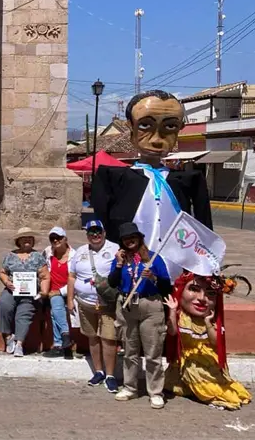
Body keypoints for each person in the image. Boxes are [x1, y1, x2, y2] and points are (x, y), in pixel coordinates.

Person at [92, 90, 211, 248]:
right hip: (129, 262)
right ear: (130, 127)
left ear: (179, 129)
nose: (156, 140)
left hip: (175, 260)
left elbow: (204, 225)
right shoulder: (114, 179)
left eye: (170, 126)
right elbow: (102, 222)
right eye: (145, 125)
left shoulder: (189, 181)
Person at [108, 222, 172, 409]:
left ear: (140, 238)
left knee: (153, 352)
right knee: (130, 350)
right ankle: (130, 387)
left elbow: (167, 287)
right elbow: (112, 283)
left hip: (150, 305)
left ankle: (155, 392)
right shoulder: (121, 259)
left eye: (133, 237)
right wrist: (119, 265)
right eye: (126, 238)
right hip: (128, 305)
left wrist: (153, 277)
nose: (130, 241)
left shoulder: (153, 258)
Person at [165, 271, 252, 410]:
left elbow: (215, 341)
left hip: (206, 361)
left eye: (210, 293)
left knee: (211, 387)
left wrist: (207, 323)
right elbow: (172, 332)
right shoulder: (181, 317)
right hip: (184, 361)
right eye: (194, 289)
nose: (202, 298)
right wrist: (172, 311)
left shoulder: (210, 321)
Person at [67, 220, 120, 393]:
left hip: (107, 303)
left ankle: (111, 375)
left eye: (98, 232)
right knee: (93, 337)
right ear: (87, 235)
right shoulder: (81, 251)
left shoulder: (114, 249)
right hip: (85, 303)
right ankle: (98, 371)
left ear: (104, 232)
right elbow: (72, 276)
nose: (95, 235)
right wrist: (70, 299)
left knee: (108, 339)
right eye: (91, 232)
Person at [0, 227, 49, 358]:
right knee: (4, 304)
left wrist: (43, 292)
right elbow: (3, 272)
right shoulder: (10, 256)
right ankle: (9, 336)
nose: (27, 240)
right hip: (12, 289)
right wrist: (7, 282)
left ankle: (19, 344)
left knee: (24, 313)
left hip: (30, 292)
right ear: (18, 241)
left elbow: (45, 276)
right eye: (24, 238)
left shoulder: (38, 257)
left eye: (30, 238)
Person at [42, 227, 74, 359]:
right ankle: (63, 341)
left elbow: (76, 279)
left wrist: (59, 291)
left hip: (69, 290)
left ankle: (59, 342)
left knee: (55, 306)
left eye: (59, 238)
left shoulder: (75, 255)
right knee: (55, 309)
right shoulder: (47, 252)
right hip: (52, 291)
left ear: (65, 239)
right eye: (52, 238)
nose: (55, 240)